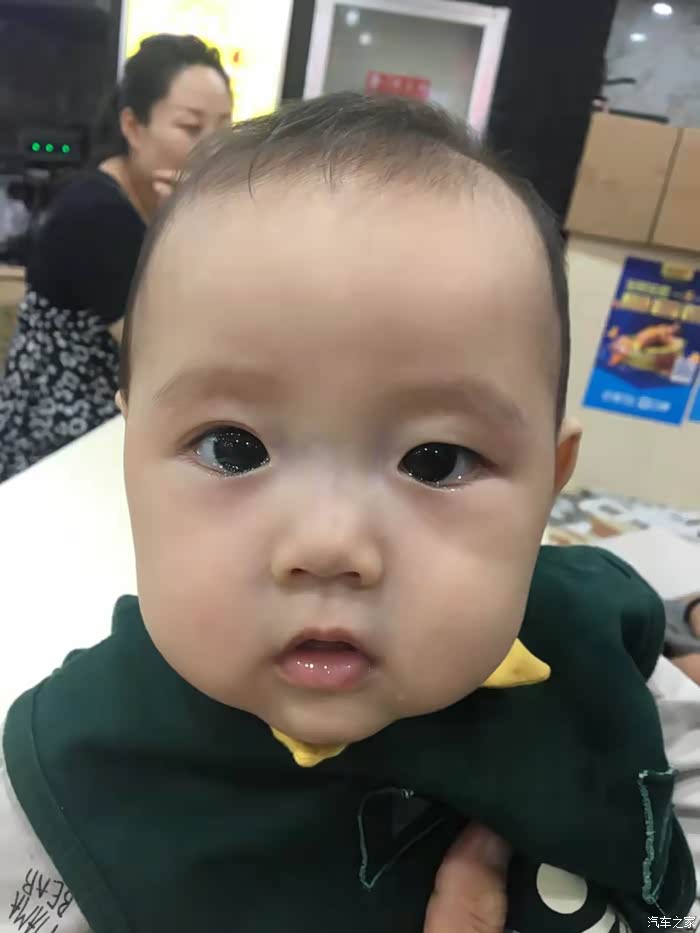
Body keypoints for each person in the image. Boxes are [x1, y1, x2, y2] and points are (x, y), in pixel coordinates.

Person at [1, 94, 698, 932]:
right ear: (129, 454)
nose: (329, 545)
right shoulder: (64, 781)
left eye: (436, 460)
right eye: (232, 447)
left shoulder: (597, 645)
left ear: (549, 485)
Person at [0, 34, 232, 483]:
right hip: (58, 437)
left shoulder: (153, 204)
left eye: (224, 126)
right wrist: (195, 227)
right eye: (190, 127)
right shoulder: (98, 213)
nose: (213, 146)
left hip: (115, 416)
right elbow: (168, 351)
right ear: (132, 127)